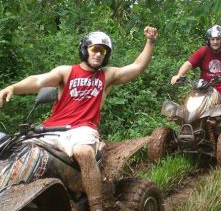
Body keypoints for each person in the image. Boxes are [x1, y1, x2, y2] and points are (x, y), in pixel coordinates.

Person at [0, 26, 158, 211]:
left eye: (103, 51)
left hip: (82, 129)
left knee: (84, 152)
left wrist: (150, 42)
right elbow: (37, 81)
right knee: (11, 145)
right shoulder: (66, 72)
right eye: (95, 49)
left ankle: (97, 206)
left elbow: (137, 66)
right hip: (51, 129)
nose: (99, 54)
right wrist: (11, 88)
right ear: (85, 49)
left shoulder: (106, 75)